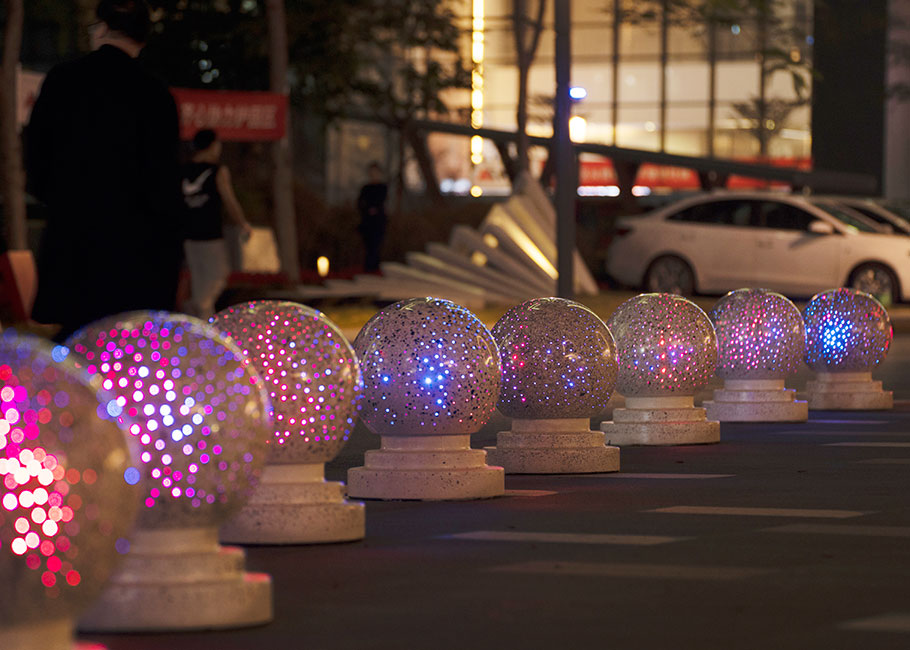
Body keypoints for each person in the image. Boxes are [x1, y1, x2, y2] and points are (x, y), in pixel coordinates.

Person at [25, 0, 183, 341]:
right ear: (143, 38)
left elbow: (37, 155)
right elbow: (164, 185)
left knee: (73, 345)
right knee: (126, 348)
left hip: (73, 242)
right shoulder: (155, 94)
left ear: (102, 28)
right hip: (135, 252)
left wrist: (59, 198)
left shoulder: (63, 80)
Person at [180, 129, 252, 318]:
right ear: (212, 145)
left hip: (189, 235)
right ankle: (197, 306)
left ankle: (202, 322)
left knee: (200, 280)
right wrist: (242, 223)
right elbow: (229, 200)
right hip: (210, 233)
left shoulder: (183, 170)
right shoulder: (217, 170)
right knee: (219, 275)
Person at [356, 162, 388, 273]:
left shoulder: (383, 187)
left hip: (378, 222)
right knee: (368, 246)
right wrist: (367, 210)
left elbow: (381, 201)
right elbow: (360, 203)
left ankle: (375, 269)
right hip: (367, 222)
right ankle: (368, 269)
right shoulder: (365, 188)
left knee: (376, 246)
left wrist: (375, 209)